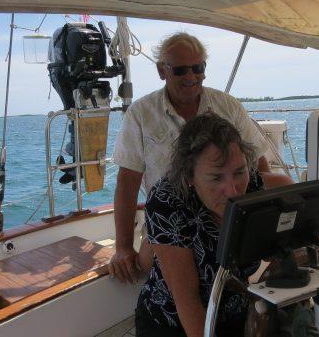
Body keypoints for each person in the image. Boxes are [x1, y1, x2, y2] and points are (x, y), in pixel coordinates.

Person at [109, 32, 271, 283]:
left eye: (198, 68)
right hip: (168, 223)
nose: (191, 77)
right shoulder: (140, 114)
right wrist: (123, 247)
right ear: (162, 71)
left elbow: (259, 167)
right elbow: (127, 183)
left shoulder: (228, 106)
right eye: (181, 70)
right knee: (156, 272)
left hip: (223, 222)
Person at [135, 114, 292, 337]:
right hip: (172, 323)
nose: (233, 190)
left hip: (234, 312)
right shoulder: (167, 201)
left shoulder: (255, 187)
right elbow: (187, 300)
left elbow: (286, 187)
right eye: (216, 178)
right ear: (189, 176)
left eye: (239, 172)